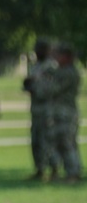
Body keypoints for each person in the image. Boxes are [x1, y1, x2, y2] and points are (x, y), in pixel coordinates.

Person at [43, 43, 82, 183]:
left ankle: (73, 173)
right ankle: (67, 171)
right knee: (59, 143)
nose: (56, 58)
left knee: (67, 143)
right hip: (60, 113)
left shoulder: (69, 72)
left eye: (59, 55)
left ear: (66, 57)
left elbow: (53, 90)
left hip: (67, 113)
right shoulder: (62, 71)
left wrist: (42, 83)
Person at [23, 38, 60, 181]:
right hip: (36, 109)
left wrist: (37, 88)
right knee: (36, 140)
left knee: (49, 140)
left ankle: (55, 168)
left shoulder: (52, 67)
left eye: (40, 49)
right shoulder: (36, 66)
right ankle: (40, 169)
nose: (37, 52)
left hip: (47, 108)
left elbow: (52, 88)